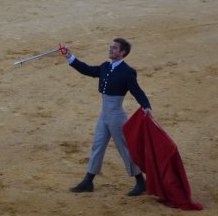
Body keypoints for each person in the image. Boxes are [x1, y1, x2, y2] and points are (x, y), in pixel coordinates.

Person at [59, 38, 152, 196]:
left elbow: (137, 91)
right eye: (110, 47)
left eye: (114, 48)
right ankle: (88, 181)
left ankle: (140, 181)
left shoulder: (127, 72)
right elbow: (87, 70)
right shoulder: (105, 67)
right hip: (105, 114)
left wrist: (146, 105)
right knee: (98, 145)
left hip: (116, 116)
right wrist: (70, 57)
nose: (111, 50)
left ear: (122, 52)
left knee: (124, 148)